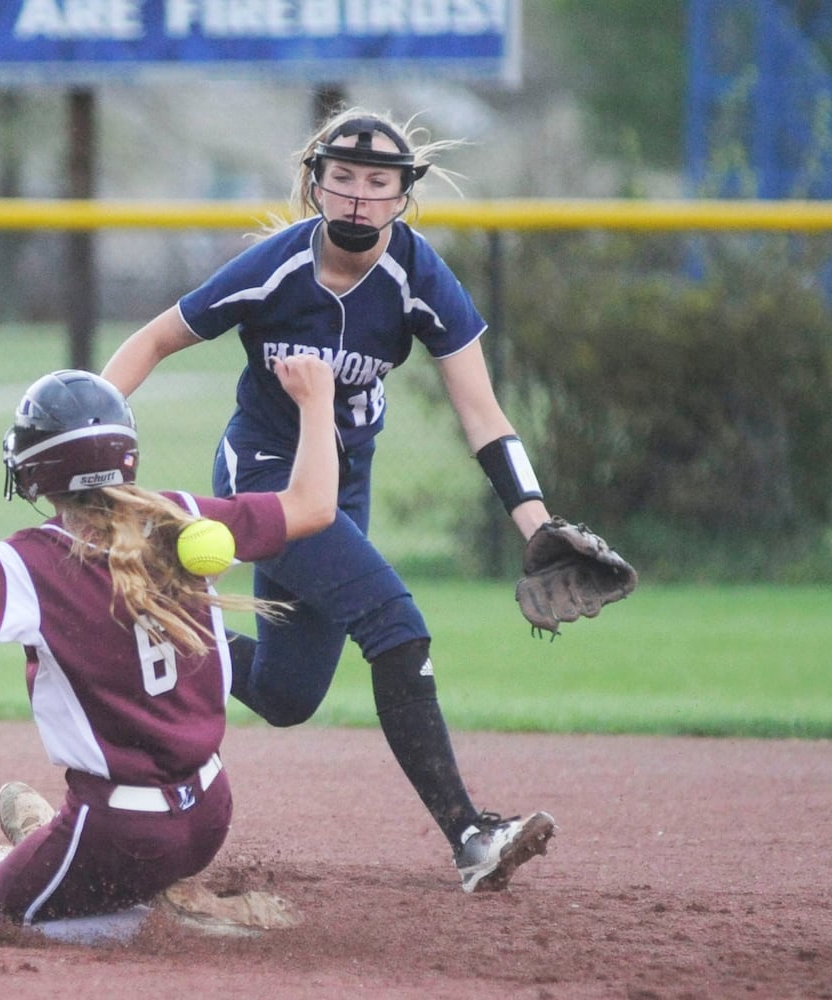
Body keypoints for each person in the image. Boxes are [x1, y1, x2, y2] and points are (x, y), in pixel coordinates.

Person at [101, 107, 560, 893]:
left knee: (286, 693)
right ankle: (471, 834)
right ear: (315, 184)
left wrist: (539, 526)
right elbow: (153, 339)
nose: (357, 198)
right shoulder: (275, 266)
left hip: (343, 483)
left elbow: (483, 414)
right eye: (341, 178)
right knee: (395, 625)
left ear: (404, 195)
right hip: (268, 474)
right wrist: (90, 443)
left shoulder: (418, 276)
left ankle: (149, 621)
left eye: (377, 183)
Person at [0, 357, 338, 926]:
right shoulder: (185, 518)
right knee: (86, 852)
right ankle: (81, 852)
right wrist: (316, 402)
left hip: (124, 833)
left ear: (38, 468)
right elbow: (315, 504)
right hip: (211, 812)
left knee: (4, 911)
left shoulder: (30, 562)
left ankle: (180, 918)